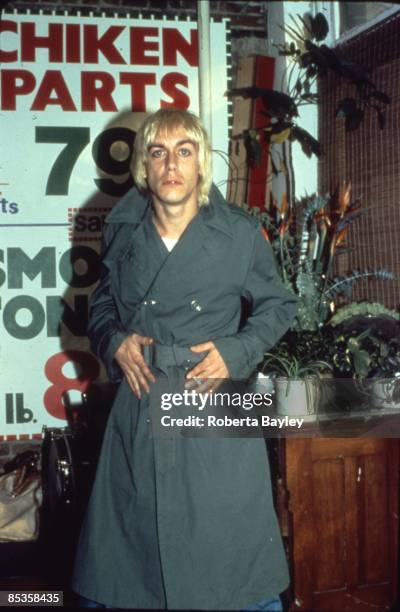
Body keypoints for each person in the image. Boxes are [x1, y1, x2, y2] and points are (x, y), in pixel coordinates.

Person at [72, 108, 298, 610]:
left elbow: (279, 305)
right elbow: (103, 304)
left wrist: (235, 351)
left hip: (213, 406)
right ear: (143, 170)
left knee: (228, 564)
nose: (171, 163)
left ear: (200, 167)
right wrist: (113, 341)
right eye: (158, 152)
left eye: (184, 151)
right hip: (142, 401)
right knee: (134, 567)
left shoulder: (238, 233)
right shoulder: (123, 228)